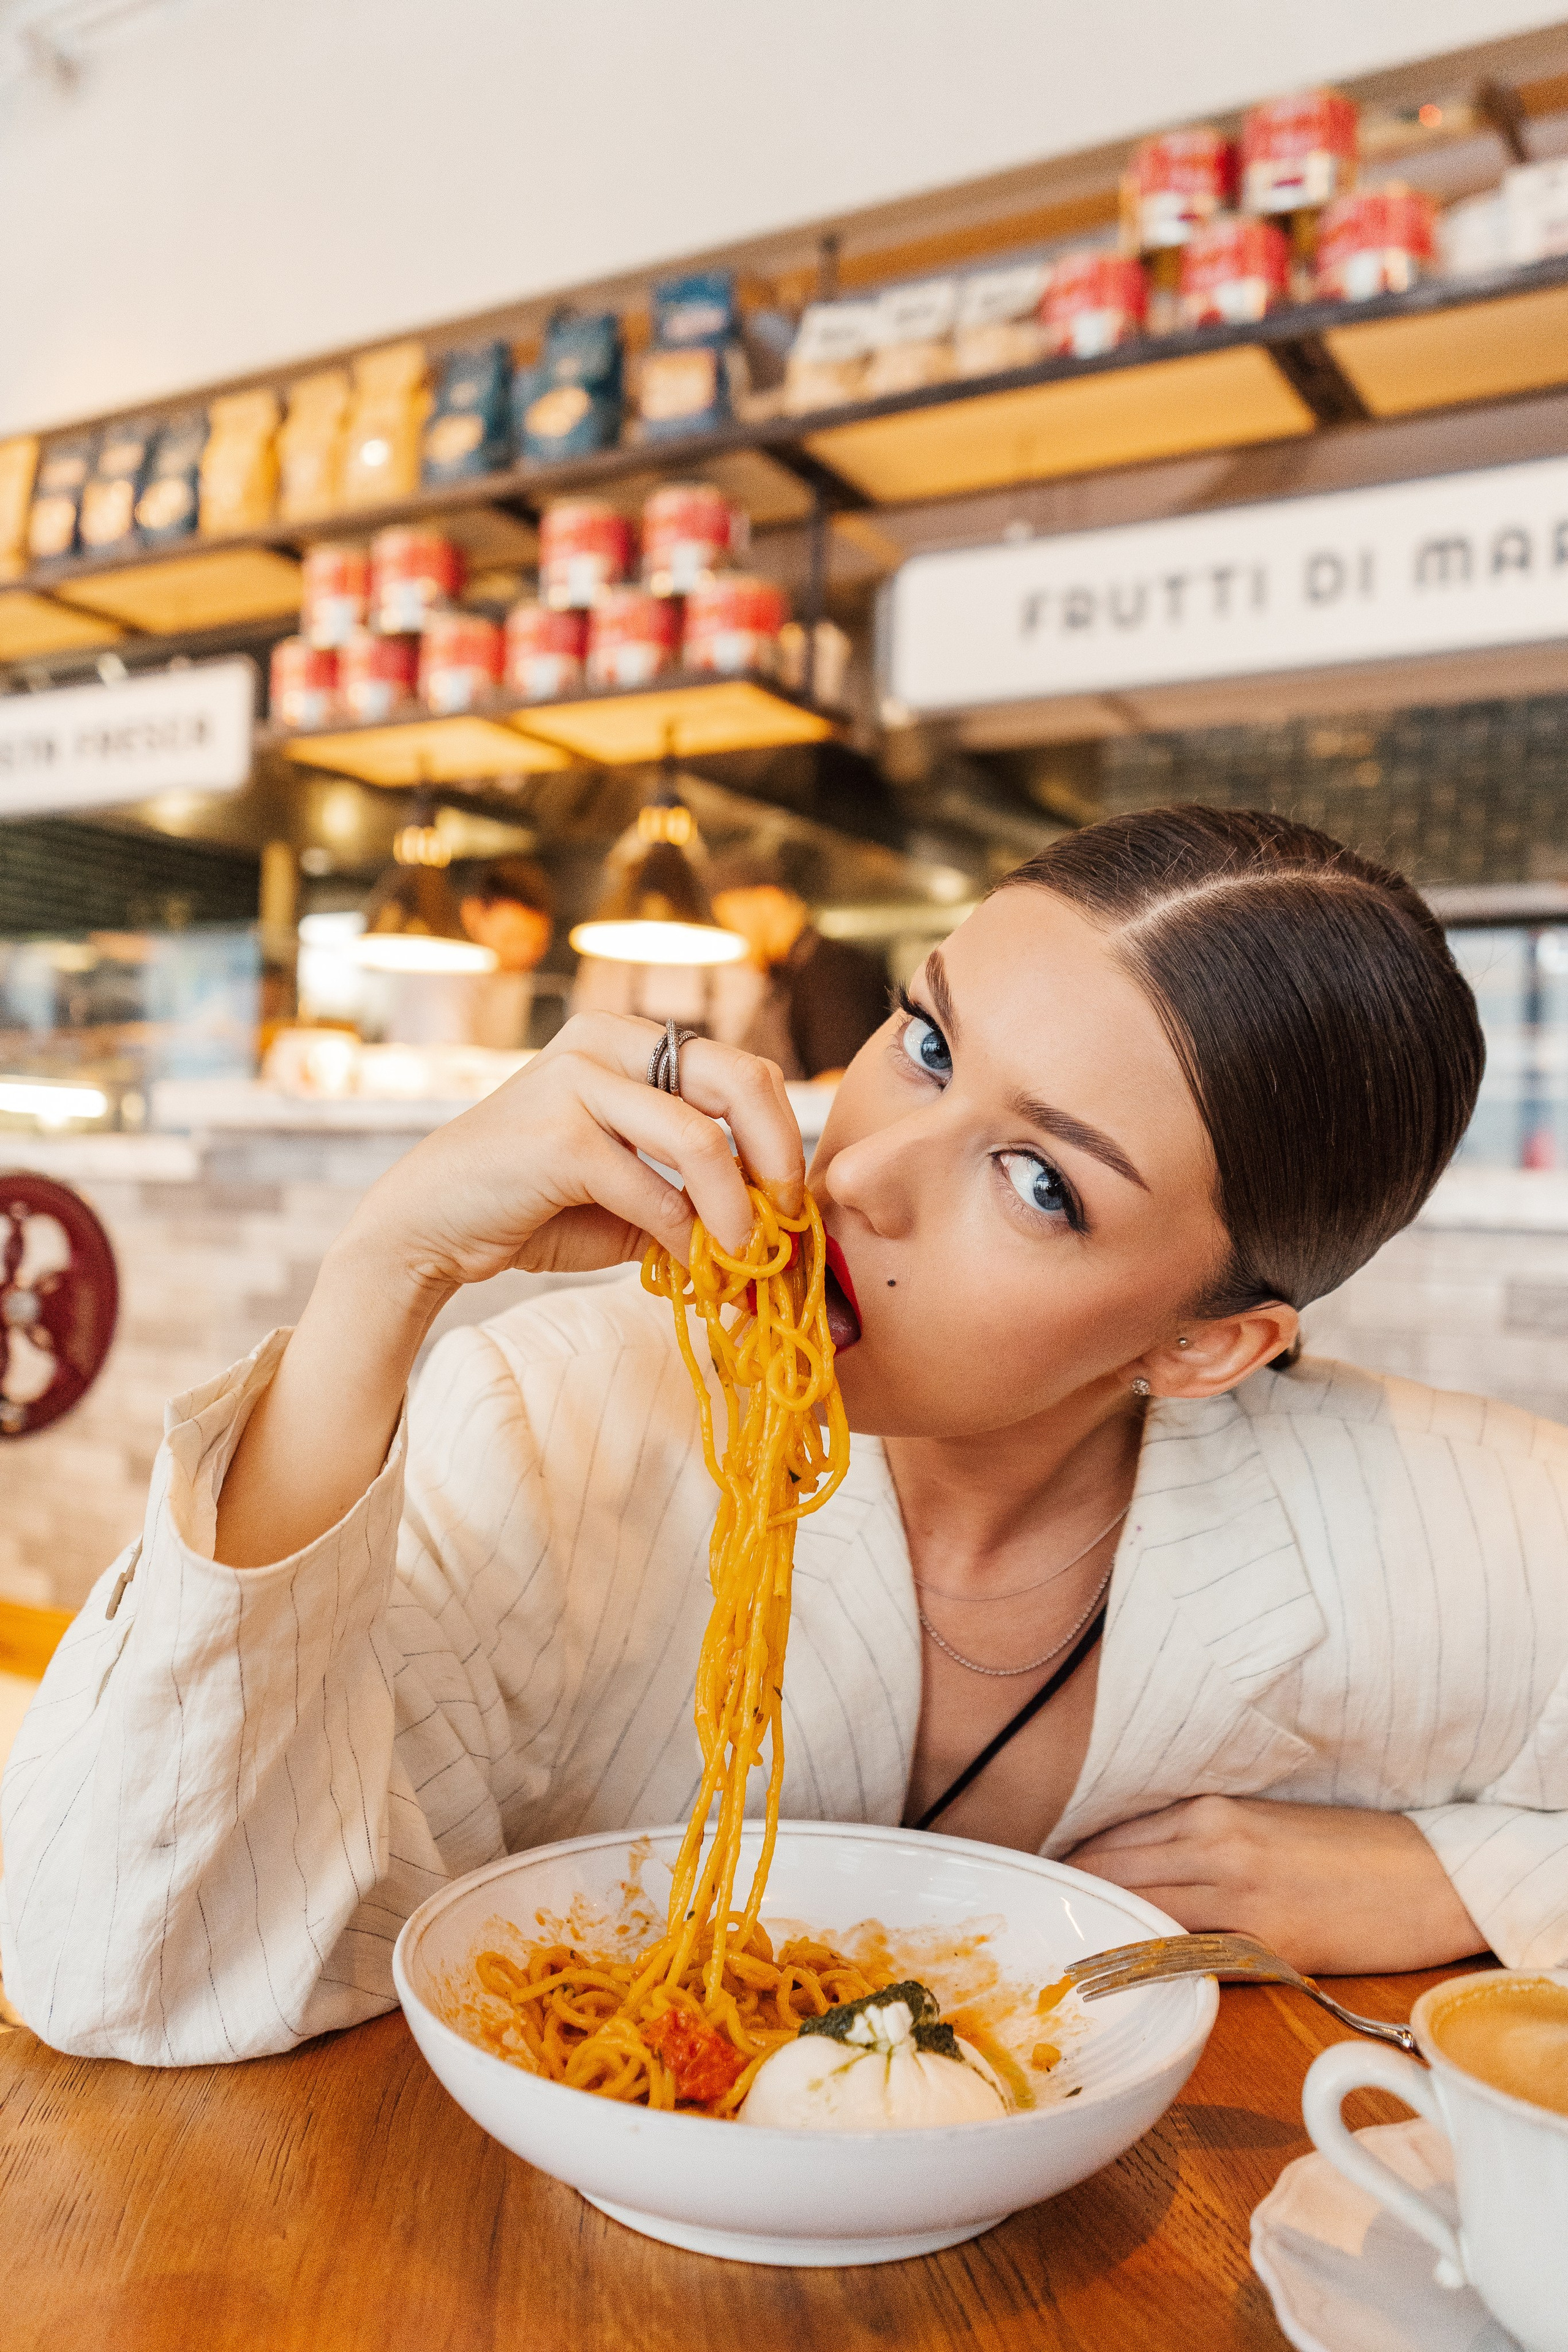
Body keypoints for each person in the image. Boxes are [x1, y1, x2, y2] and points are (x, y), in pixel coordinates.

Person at [7, 807, 1564, 2073]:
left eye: (1038, 1183)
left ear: (1202, 1345)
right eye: (926, 1043)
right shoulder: (558, 1423)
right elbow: (115, 1957)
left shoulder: (1417, 1522)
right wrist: (382, 1276)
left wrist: (1437, 1880)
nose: (863, 1173)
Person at [707, 846, 888, 1080]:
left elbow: (838, 1082)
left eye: (730, 921)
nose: (731, 934)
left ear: (768, 901)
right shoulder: (787, 972)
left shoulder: (832, 971)